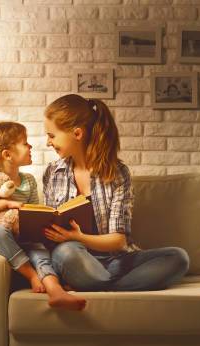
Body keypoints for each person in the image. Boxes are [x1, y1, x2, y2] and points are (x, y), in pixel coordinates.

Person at [41, 94, 190, 297]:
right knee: (67, 252)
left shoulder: (117, 174)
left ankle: (100, 285)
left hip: (115, 260)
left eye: (52, 135)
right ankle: (108, 284)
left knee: (178, 257)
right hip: (74, 257)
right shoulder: (53, 173)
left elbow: (118, 241)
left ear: (77, 133)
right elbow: (51, 229)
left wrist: (78, 236)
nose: (48, 142)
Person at [0, 121, 86, 311]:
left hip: (21, 234)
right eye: (25, 143)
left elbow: (34, 211)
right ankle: (31, 275)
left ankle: (55, 290)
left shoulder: (28, 181)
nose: (30, 146)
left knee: (39, 250)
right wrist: (6, 203)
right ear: (7, 154)